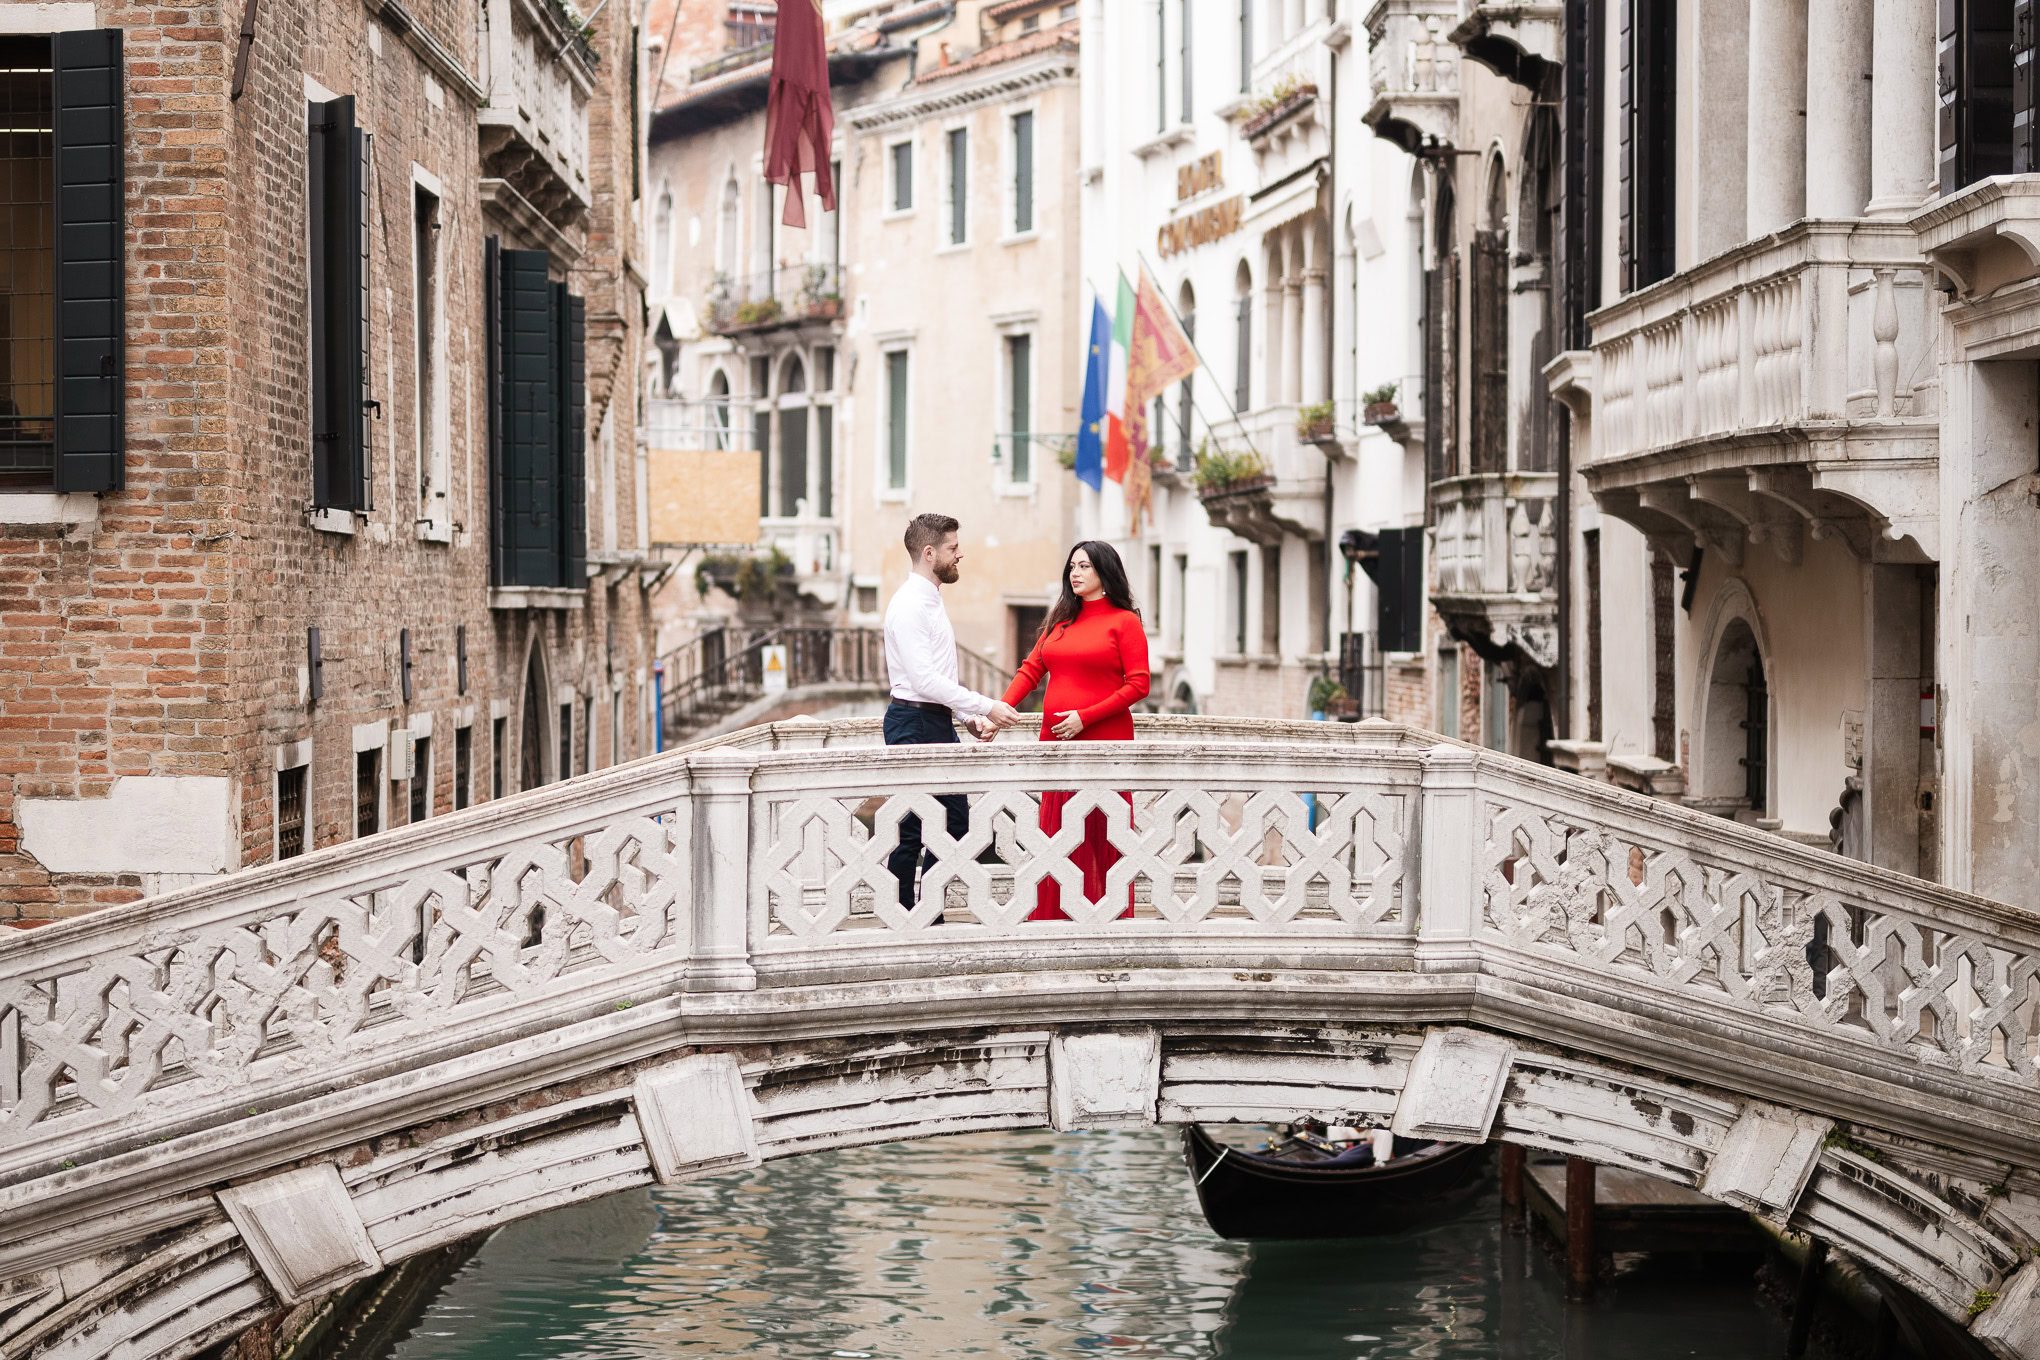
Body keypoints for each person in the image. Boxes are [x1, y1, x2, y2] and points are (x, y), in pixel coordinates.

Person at [996, 540, 1150, 921]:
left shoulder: (1124, 621)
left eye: (1084, 567)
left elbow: (1139, 684)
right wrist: (998, 710)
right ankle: (1056, 916)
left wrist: (1086, 717)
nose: (1075, 573)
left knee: (1101, 828)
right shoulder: (1060, 620)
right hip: (1055, 740)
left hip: (1103, 738)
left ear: (1104, 573)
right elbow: (1031, 670)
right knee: (1058, 830)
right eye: (1072, 567)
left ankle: (1106, 916)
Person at [883, 513, 1023, 913]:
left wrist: (967, 719)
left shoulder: (930, 599)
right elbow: (923, 680)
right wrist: (987, 706)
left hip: (933, 720)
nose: (960, 555)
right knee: (912, 828)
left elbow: (938, 676)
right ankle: (910, 916)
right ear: (929, 554)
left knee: (955, 824)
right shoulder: (910, 604)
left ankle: (925, 910)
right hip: (912, 721)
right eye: (952, 548)